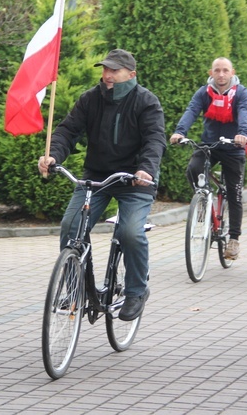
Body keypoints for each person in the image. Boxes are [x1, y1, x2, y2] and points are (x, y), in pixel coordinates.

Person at [38, 49, 166, 321]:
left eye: (114, 70)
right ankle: (75, 289)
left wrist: (145, 169)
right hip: (96, 177)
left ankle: (136, 291)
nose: (107, 75)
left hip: (134, 180)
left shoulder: (146, 102)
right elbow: (67, 131)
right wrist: (53, 155)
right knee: (71, 226)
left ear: (131, 74)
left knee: (130, 232)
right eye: (105, 69)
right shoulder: (90, 99)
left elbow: (155, 140)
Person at [170, 57, 247, 260]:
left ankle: (234, 239)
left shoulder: (241, 93)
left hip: (233, 146)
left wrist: (242, 134)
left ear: (232, 72)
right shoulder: (204, 92)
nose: (221, 75)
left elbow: (244, 112)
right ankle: (204, 200)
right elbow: (191, 110)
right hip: (210, 146)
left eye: (225, 70)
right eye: (217, 70)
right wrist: (180, 132)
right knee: (193, 168)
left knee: (234, 194)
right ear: (211, 72)